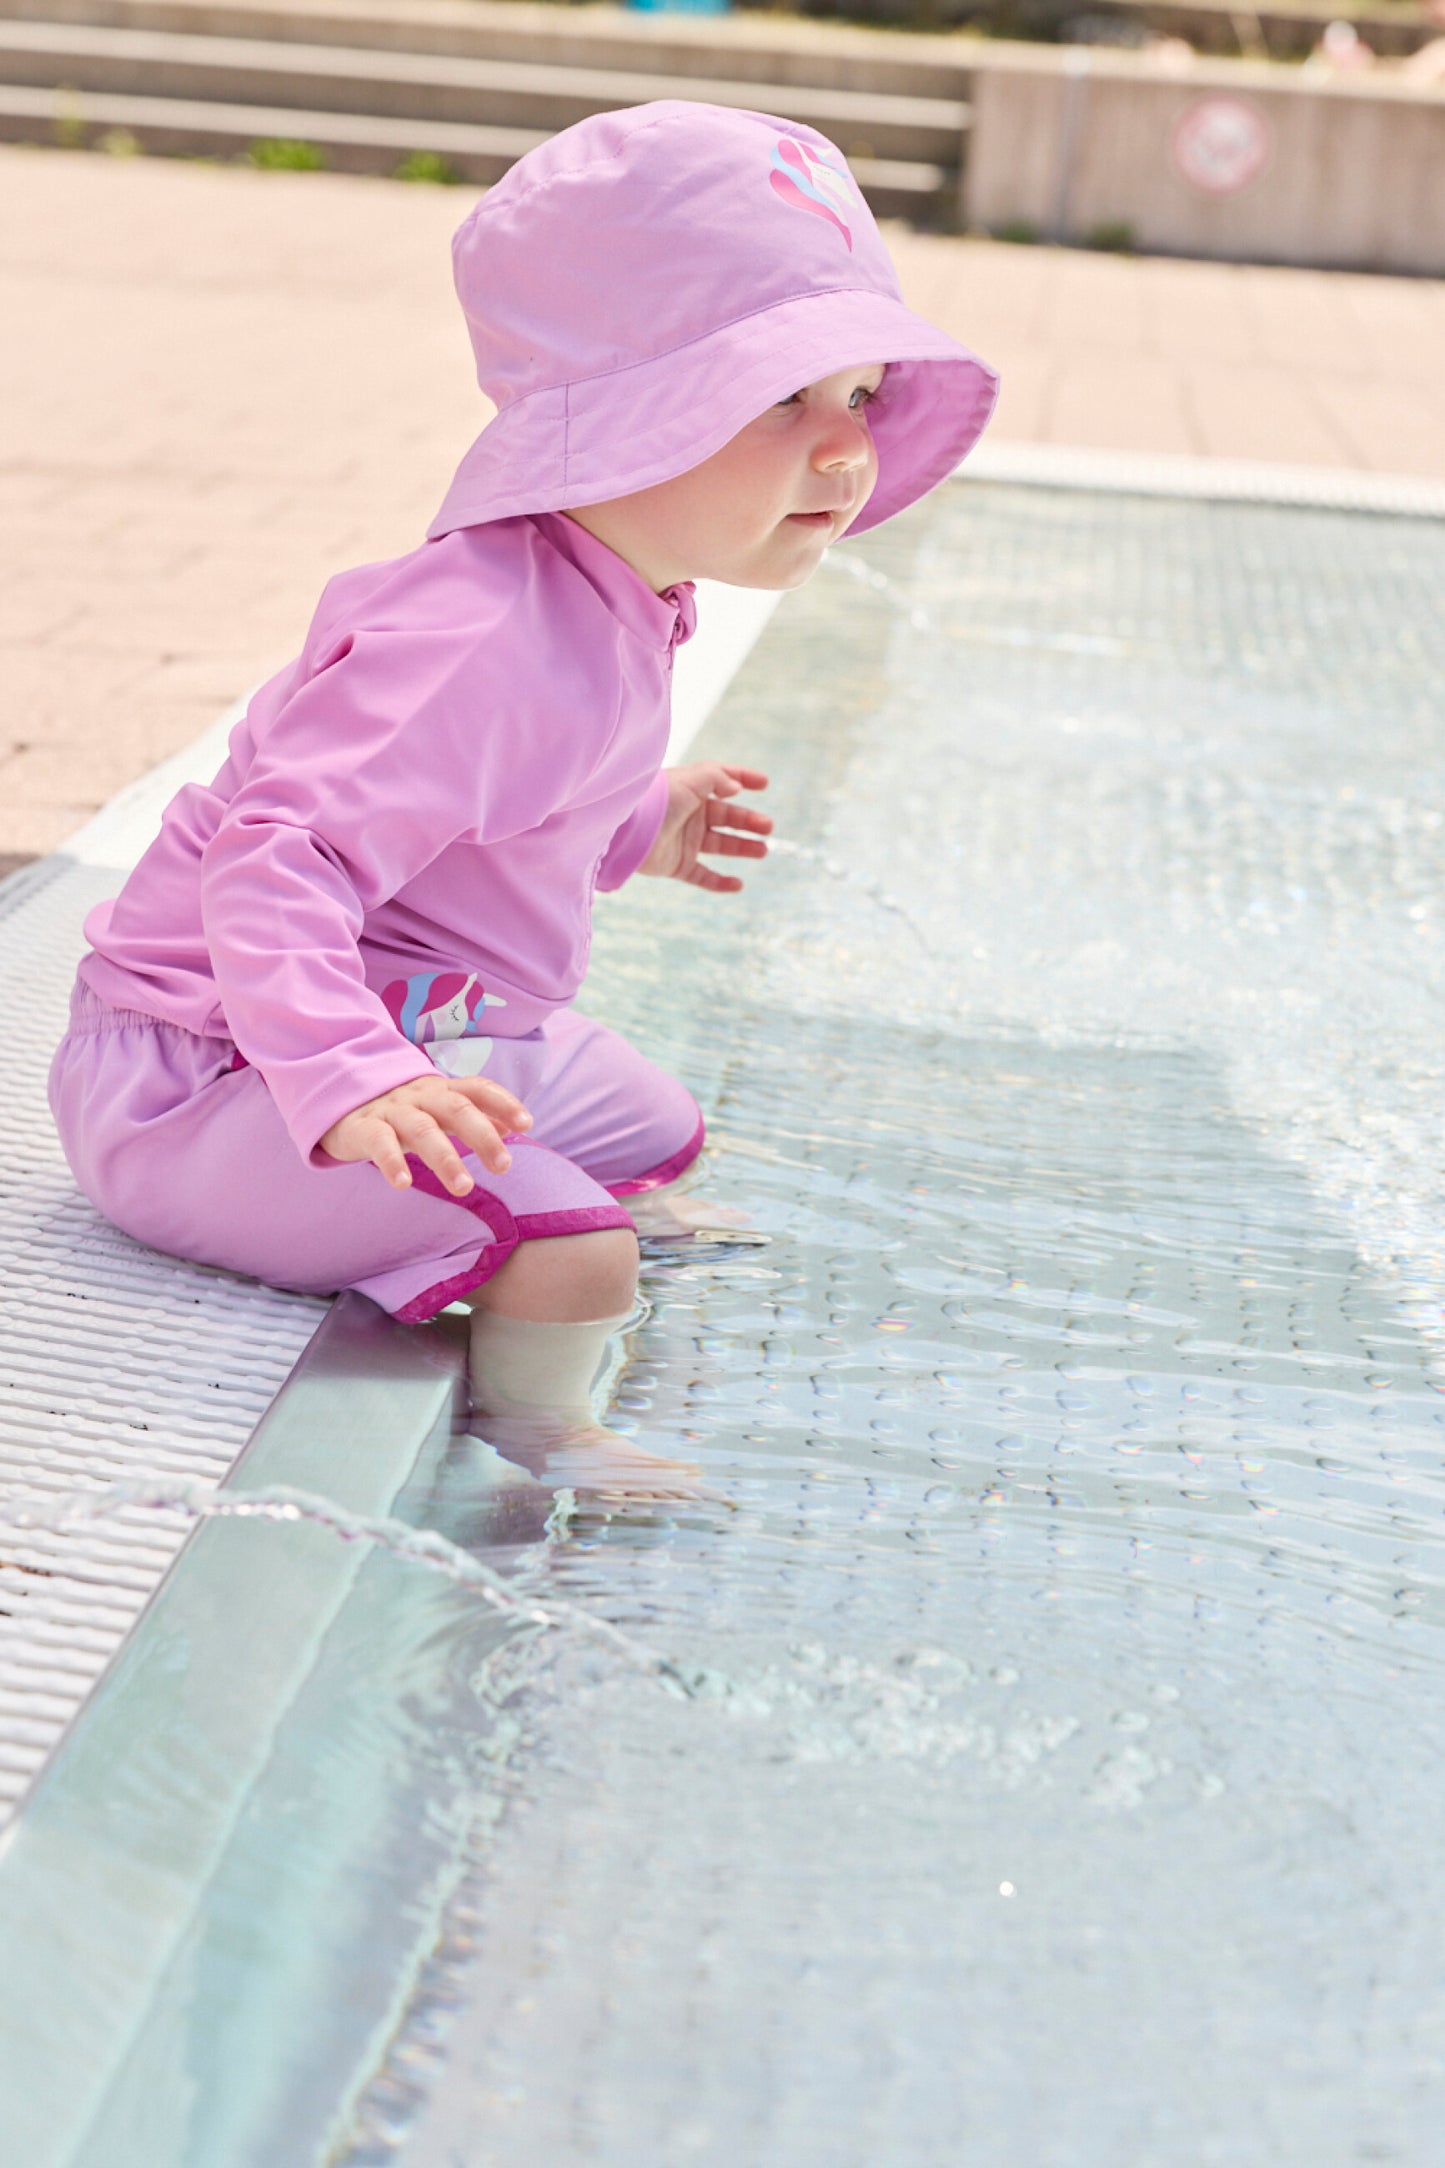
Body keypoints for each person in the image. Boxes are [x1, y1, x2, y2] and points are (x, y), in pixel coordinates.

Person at [49, 101, 998, 1498]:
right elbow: (276, 861)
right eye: (781, 400)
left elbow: (511, 801)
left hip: (417, 1022)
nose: (845, 448)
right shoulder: (476, 634)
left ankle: (498, 1224)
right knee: (574, 1246)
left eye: (856, 396)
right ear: (629, 419)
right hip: (211, 1074)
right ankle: (537, 1438)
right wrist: (355, 1079)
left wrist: (642, 813)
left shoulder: (612, 591)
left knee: (657, 1130)